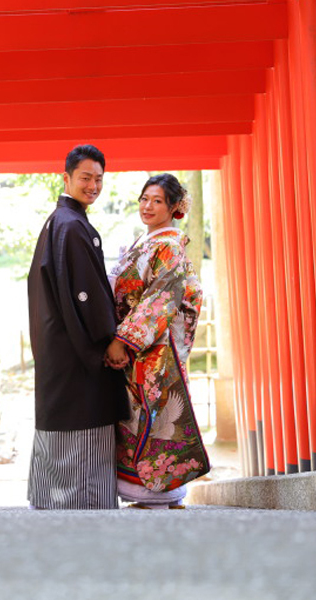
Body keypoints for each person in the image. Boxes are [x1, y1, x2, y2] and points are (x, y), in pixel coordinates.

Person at [26, 145, 129, 510]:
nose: (93, 185)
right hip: (78, 357)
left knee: (61, 445)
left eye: (99, 178)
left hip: (59, 353)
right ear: (66, 176)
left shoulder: (62, 222)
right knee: (83, 449)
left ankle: (52, 509)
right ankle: (83, 525)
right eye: (85, 177)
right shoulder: (71, 226)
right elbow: (87, 295)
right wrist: (109, 340)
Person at [105, 173, 210, 509]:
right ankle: (153, 492)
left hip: (155, 347)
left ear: (174, 207)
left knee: (156, 418)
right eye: (144, 199)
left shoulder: (168, 246)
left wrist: (125, 340)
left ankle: (159, 493)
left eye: (158, 201)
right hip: (143, 345)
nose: (148, 206)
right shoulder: (147, 241)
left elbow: (161, 299)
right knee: (139, 419)